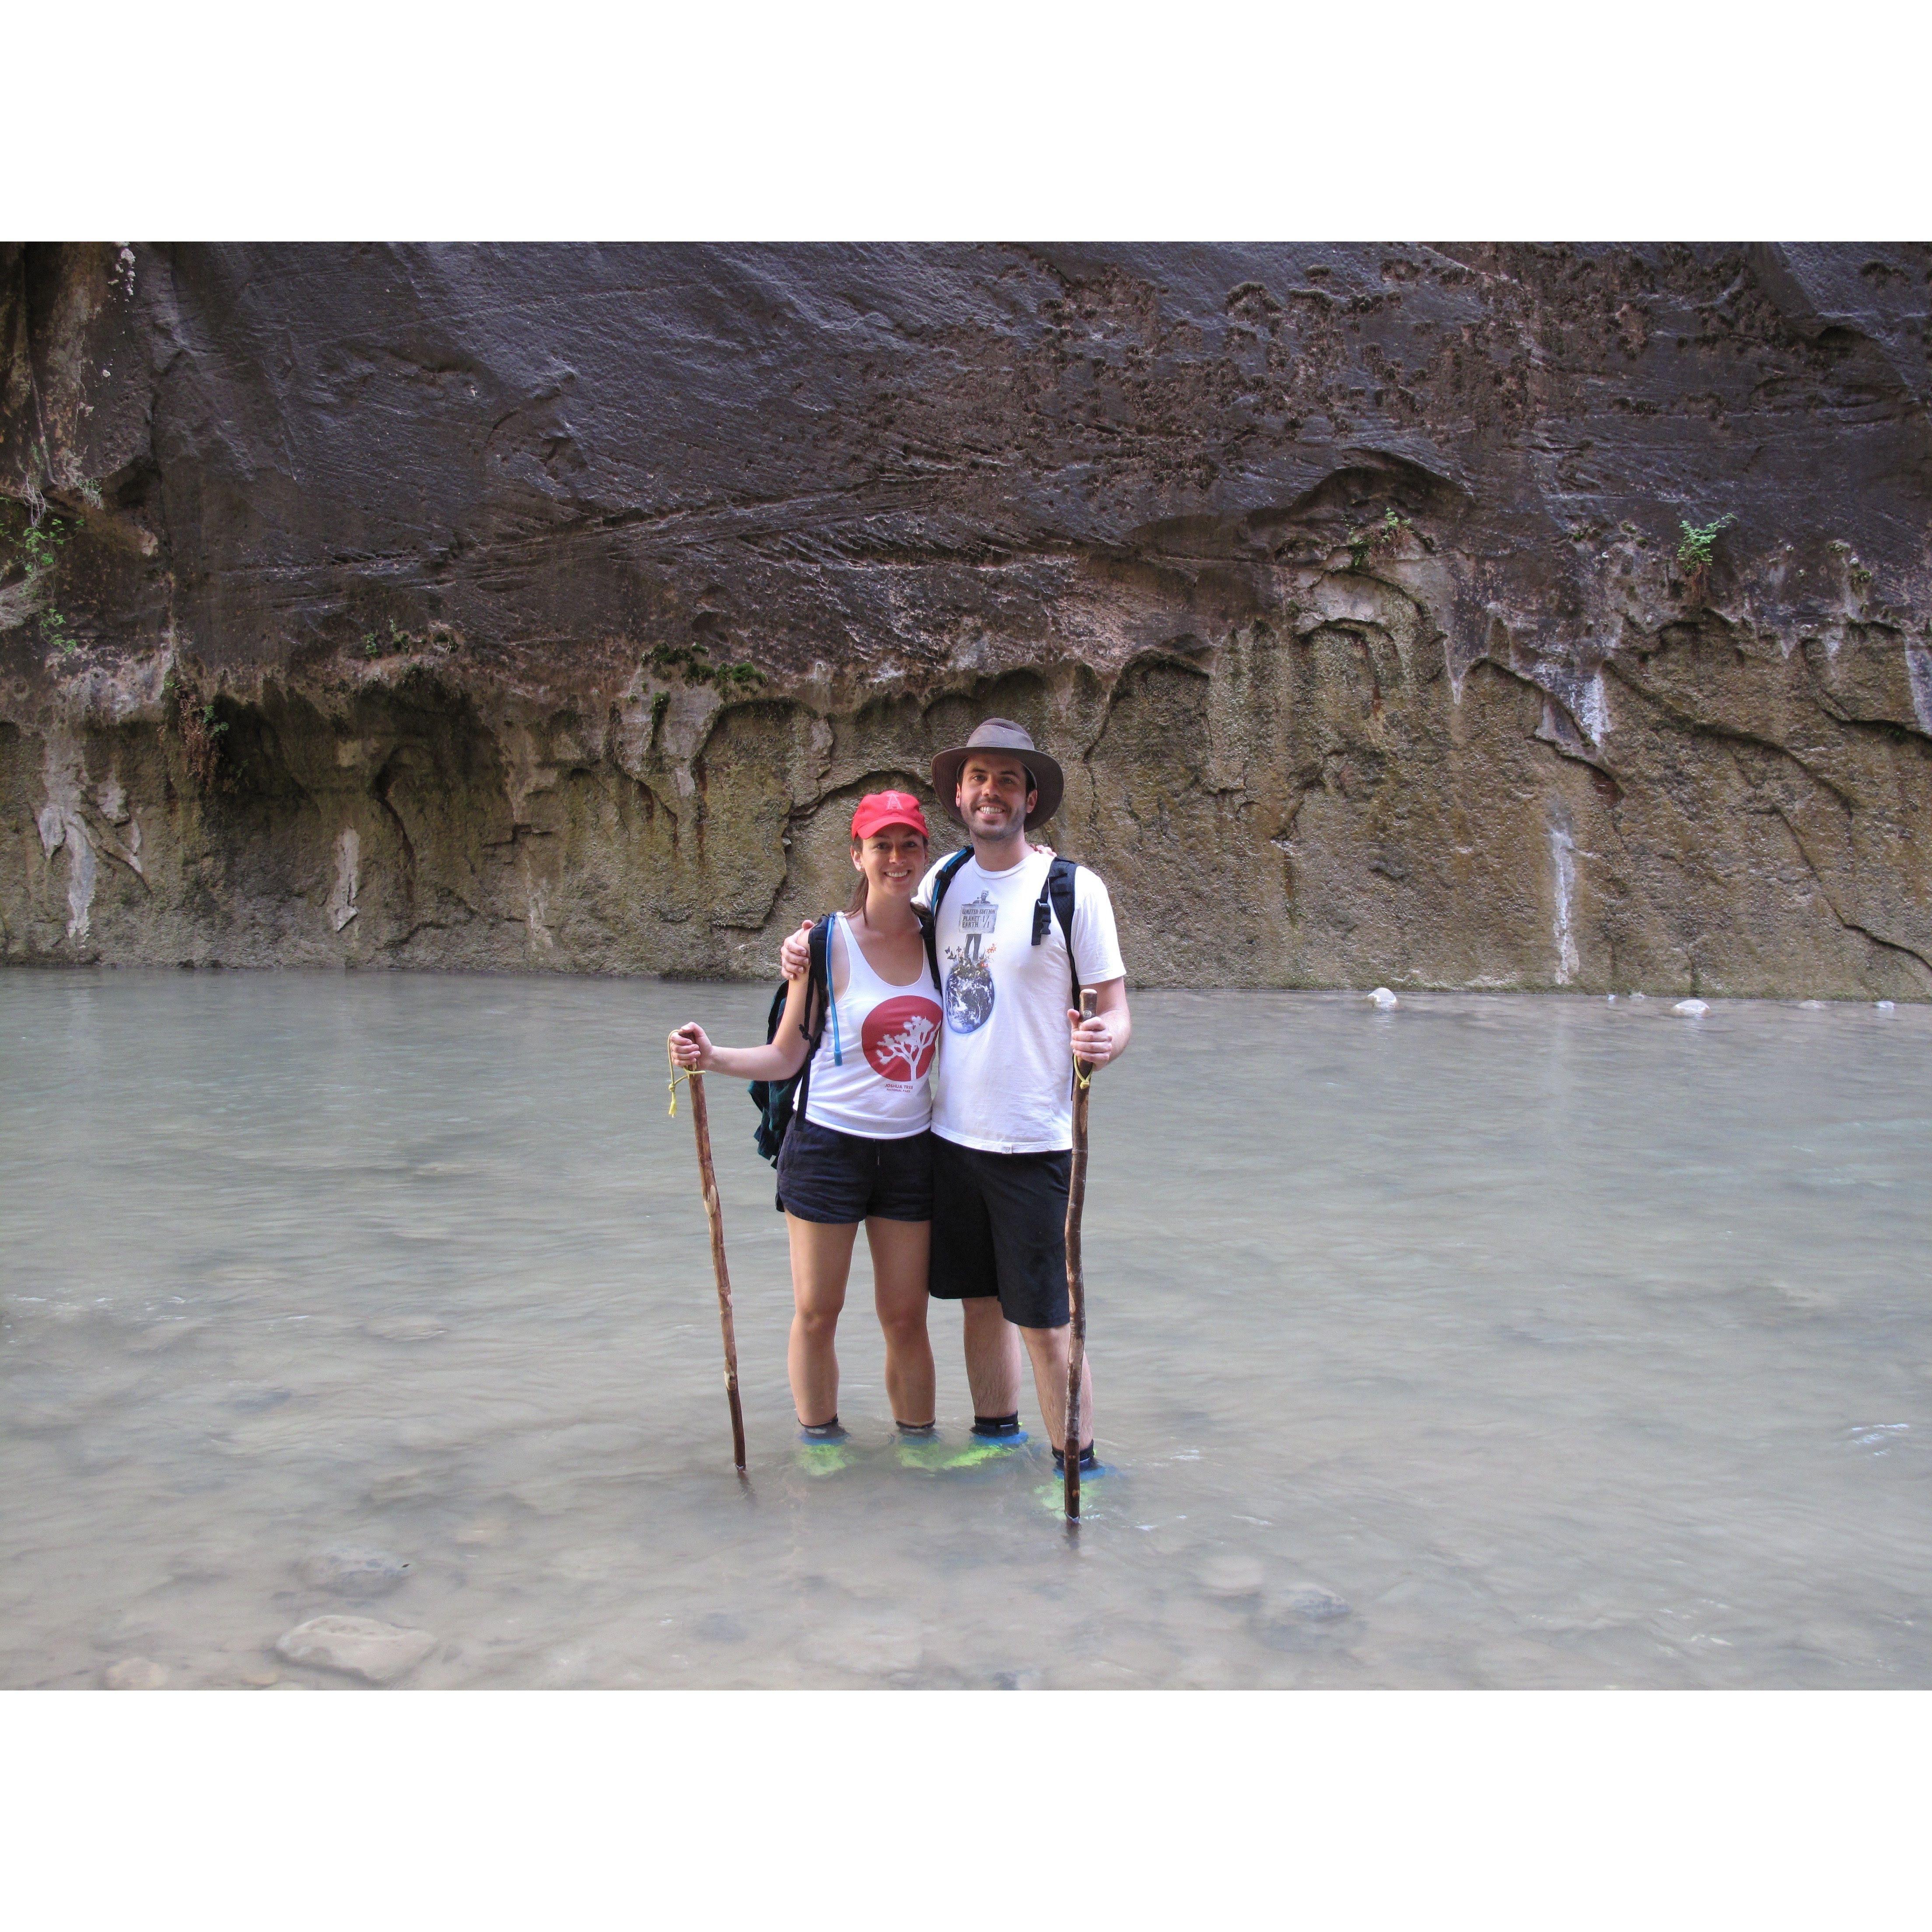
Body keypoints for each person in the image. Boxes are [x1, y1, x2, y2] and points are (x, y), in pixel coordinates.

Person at [784, 720, 1130, 1474]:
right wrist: (802, 945)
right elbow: (872, 939)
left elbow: (1115, 1006)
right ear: (960, 794)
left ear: (1030, 798)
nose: (991, 792)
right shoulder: (941, 880)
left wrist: (1106, 1039)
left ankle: (1080, 1467)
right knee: (978, 1303)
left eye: (1008, 779)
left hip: (1035, 1139)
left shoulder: (1073, 888)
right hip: (948, 1137)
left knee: (1045, 1321)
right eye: (979, 778)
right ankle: (995, 1440)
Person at [670, 792, 943, 1456]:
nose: (897, 859)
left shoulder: (944, 937)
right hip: (826, 1146)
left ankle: (918, 1447)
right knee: (820, 1312)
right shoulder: (823, 944)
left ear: (925, 856)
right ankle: (821, 1446)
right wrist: (711, 1057)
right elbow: (787, 1054)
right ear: (858, 855)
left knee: (906, 1317)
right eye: (883, 845)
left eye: (910, 845)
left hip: (911, 1150)